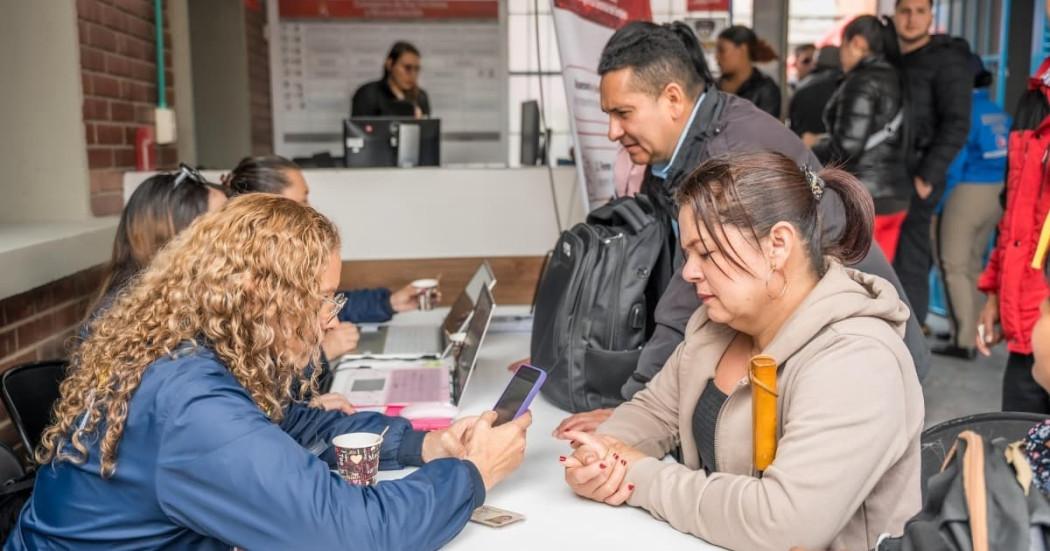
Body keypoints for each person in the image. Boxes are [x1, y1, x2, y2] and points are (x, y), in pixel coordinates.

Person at [7, 194, 532, 550]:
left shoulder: (187, 354)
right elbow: (351, 533)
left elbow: (292, 424)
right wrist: (473, 474)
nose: (333, 319)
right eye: (324, 300)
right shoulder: (188, 406)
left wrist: (430, 446)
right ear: (265, 299)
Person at [552, 20, 929, 435]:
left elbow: (684, 299)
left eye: (623, 113)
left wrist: (635, 405)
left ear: (673, 99)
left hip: (858, 361)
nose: (612, 131)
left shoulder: (729, 158)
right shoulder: (682, 149)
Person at [559, 153, 923, 550]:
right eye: (688, 255)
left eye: (707, 254)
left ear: (778, 246)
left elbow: (783, 525)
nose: (689, 272)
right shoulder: (716, 326)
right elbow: (654, 411)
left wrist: (637, 477)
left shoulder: (857, 361)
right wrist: (601, 456)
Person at [892, 0, 973, 328]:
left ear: (930, 17)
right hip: (887, 175)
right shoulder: (891, 57)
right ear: (894, 15)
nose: (911, 19)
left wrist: (928, 175)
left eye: (919, 12)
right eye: (905, 11)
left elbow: (957, 123)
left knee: (911, 259)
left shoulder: (947, 61)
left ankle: (911, 342)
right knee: (885, 258)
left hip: (918, 177)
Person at [976, 60, 1050, 413]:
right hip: (1031, 334)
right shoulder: (1035, 94)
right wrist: (994, 292)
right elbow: (1016, 209)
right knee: (1019, 455)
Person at [810, 16, 910, 262]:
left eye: (842, 47)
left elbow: (848, 146)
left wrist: (813, 143)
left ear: (856, 43)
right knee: (880, 277)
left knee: (857, 279)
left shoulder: (862, 81)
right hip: (895, 193)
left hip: (866, 196)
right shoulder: (895, 76)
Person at [932, 53, 1010, 360]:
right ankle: (976, 332)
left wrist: (939, 203)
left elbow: (955, 164)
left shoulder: (964, 112)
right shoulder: (998, 112)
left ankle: (963, 340)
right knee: (974, 264)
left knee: (953, 265)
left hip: (968, 191)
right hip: (998, 193)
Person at [88, 165, 229, 319]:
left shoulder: (198, 297)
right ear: (174, 238)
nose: (233, 238)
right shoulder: (123, 323)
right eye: (219, 227)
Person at [716, 25, 781, 118]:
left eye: (721, 50)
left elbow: (766, 129)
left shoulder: (766, 90)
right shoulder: (712, 87)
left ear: (743, 49)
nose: (716, 57)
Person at [351, 41, 430, 119]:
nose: (413, 75)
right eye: (407, 68)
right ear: (390, 64)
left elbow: (428, 130)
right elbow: (358, 129)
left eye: (417, 69)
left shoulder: (420, 97)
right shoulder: (368, 94)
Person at [788, 46, 842, 137]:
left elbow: (793, 125)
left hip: (804, 146)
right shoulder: (847, 85)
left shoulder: (801, 88)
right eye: (806, 61)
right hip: (834, 146)